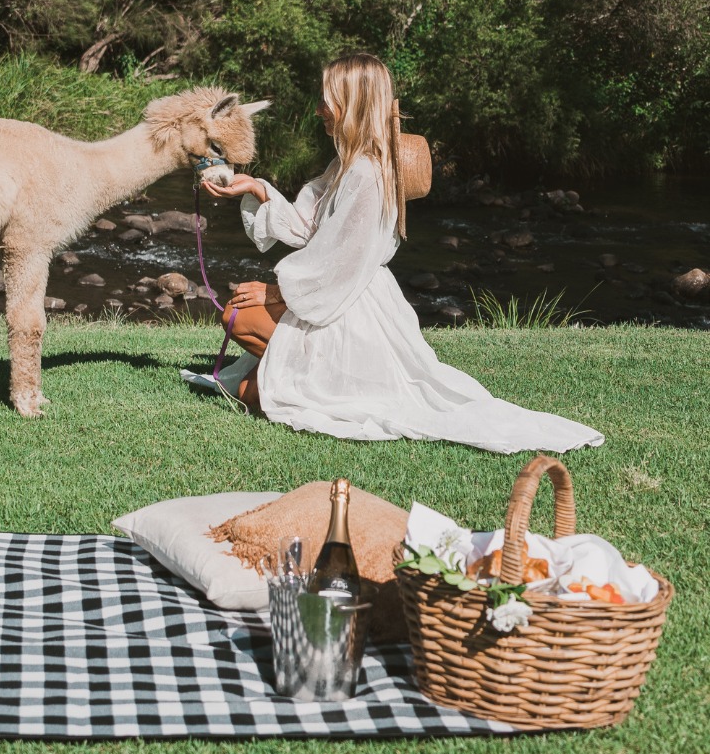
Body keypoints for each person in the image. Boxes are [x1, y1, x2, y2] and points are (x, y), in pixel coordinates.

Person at [200, 53, 603, 455]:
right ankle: (309, 375)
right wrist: (256, 188)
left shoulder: (367, 174)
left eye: (327, 100)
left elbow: (341, 261)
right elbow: (311, 231)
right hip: (337, 293)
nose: (319, 110)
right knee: (243, 350)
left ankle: (336, 378)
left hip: (352, 302)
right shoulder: (345, 164)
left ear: (352, 103)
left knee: (242, 338)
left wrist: (277, 293)